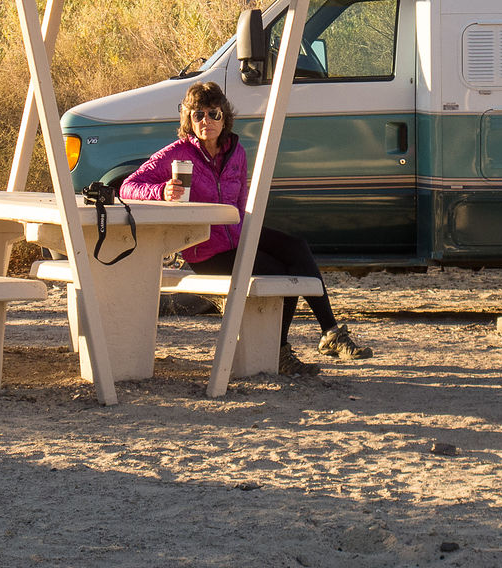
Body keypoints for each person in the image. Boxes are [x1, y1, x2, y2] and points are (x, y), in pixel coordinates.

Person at [119, 81, 372, 375]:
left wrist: (248, 237)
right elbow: (128, 186)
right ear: (188, 119)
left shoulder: (236, 152)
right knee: (280, 274)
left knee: (296, 248)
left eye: (213, 114)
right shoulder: (177, 155)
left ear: (224, 117)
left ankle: (331, 332)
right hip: (206, 250)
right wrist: (162, 191)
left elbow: (241, 205)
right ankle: (278, 352)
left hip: (237, 236)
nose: (206, 121)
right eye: (198, 115)